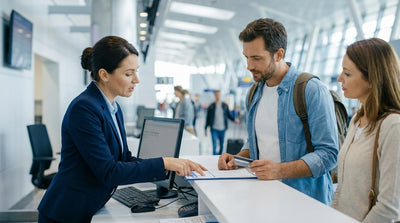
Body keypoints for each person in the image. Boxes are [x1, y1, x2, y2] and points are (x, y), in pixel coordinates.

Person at [37, 36, 206, 223]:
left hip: (91, 204)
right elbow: (109, 172)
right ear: (104, 75)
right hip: (67, 212)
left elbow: (123, 158)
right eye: (128, 74)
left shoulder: (114, 109)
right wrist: (164, 163)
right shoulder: (84, 109)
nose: (137, 80)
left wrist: (170, 166)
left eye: (137, 72)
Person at [218, 18, 338, 204]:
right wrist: (237, 159)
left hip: (304, 201)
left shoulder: (311, 90)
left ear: (279, 54)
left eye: (256, 58)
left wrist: (279, 170)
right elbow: (256, 140)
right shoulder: (254, 93)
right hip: (263, 195)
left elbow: (328, 154)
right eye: (247, 57)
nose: (249, 66)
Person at [331, 38, 400, 222]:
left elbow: (390, 207)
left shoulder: (393, 126)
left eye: (347, 73)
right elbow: (344, 189)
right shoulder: (356, 120)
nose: (339, 78)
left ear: (372, 79)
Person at [204, 90, 240, 155]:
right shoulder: (211, 106)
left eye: (218, 95)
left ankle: (220, 157)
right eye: (216, 95)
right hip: (214, 129)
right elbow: (208, 118)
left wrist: (234, 120)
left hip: (223, 129)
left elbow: (228, 115)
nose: (217, 96)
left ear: (220, 96)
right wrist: (205, 129)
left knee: (221, 145)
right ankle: (214, 158)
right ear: (214, 96)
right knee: (214, 145)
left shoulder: (225, 106)